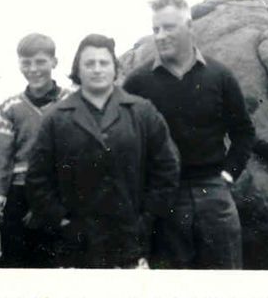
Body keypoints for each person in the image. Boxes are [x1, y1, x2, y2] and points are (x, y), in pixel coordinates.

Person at [25, 34, 180, 268]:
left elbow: (167, 168)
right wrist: (61, 220)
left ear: (115, 68)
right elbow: (37, 178)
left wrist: (147, 218)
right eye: (89, 63)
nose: (97, 69)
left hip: (132, 241)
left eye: (103, 63)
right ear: (78, 69)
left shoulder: (142, 111)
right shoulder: (56, 117)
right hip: (76, 245)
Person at [123, 0, 255, 269]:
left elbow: (243, 132)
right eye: (155, 29)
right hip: (165, 199)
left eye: (168, 27)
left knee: (226, 281)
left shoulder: (220, 76)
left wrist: (228, 175)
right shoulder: (138, 82)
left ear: (190, 27)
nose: (160, 36)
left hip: (214, 193)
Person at [0, 33, 71, 267]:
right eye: (26, 63)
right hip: (19, 195)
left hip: (60, 192)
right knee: (18, 265)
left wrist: (46, 204)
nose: (33, 69)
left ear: (54, 62)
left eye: (40, 62)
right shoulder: (10, 106)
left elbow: (76, 157)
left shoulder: (72, 101)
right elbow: (3, 161)